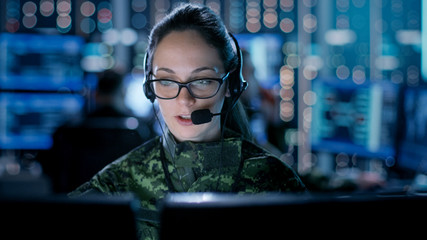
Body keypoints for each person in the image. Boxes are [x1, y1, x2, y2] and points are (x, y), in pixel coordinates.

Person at [69, 4, 306, 239]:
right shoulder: (115, 184)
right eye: (167, 81)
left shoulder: (275, 182)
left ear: (230, 85)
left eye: (202, 80)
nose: (184, 100)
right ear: (150, 88)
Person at [38, 70, 153, 193]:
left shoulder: (69, 131)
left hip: (76, 207)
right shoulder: (140, 131)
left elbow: (50, 171)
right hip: (125, 209)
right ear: (123, 93)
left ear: (95, 94)